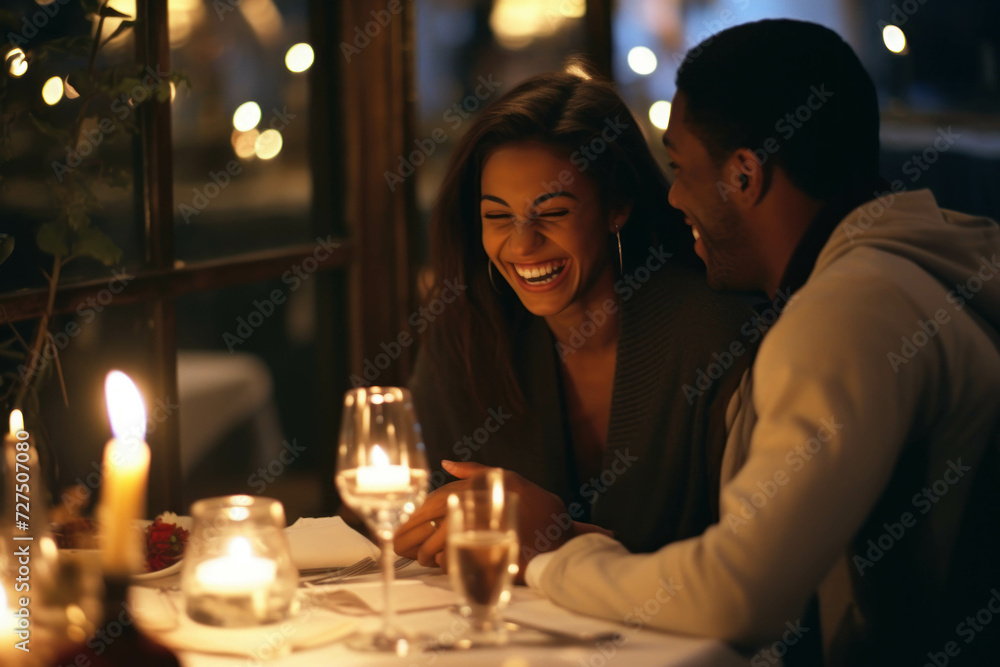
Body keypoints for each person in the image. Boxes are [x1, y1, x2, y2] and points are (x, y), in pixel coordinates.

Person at [519, 20, 1000, 667]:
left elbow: (738, 594)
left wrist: (552, 557)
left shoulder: (849, 312)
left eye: (681, 167)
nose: (672, 195)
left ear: (744, 175)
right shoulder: (902, 270)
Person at [397, 65, 756, 566]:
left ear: (617, 207)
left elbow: (746, 570)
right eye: (498, 217)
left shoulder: (712, 335)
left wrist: (561, 540)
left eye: (553, 212)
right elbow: (417, 519)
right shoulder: (465, 332)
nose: (522, 243)